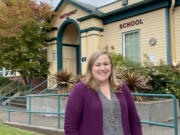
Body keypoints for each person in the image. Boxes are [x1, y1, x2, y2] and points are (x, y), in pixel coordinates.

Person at [64, 50, 142, 135]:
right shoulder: (80, 90)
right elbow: (70, 127)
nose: (102, 68)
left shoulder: (122, 88)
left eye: (106, 64)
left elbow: (134, 121)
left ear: (111, 66)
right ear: (91, 68)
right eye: (97, 65)